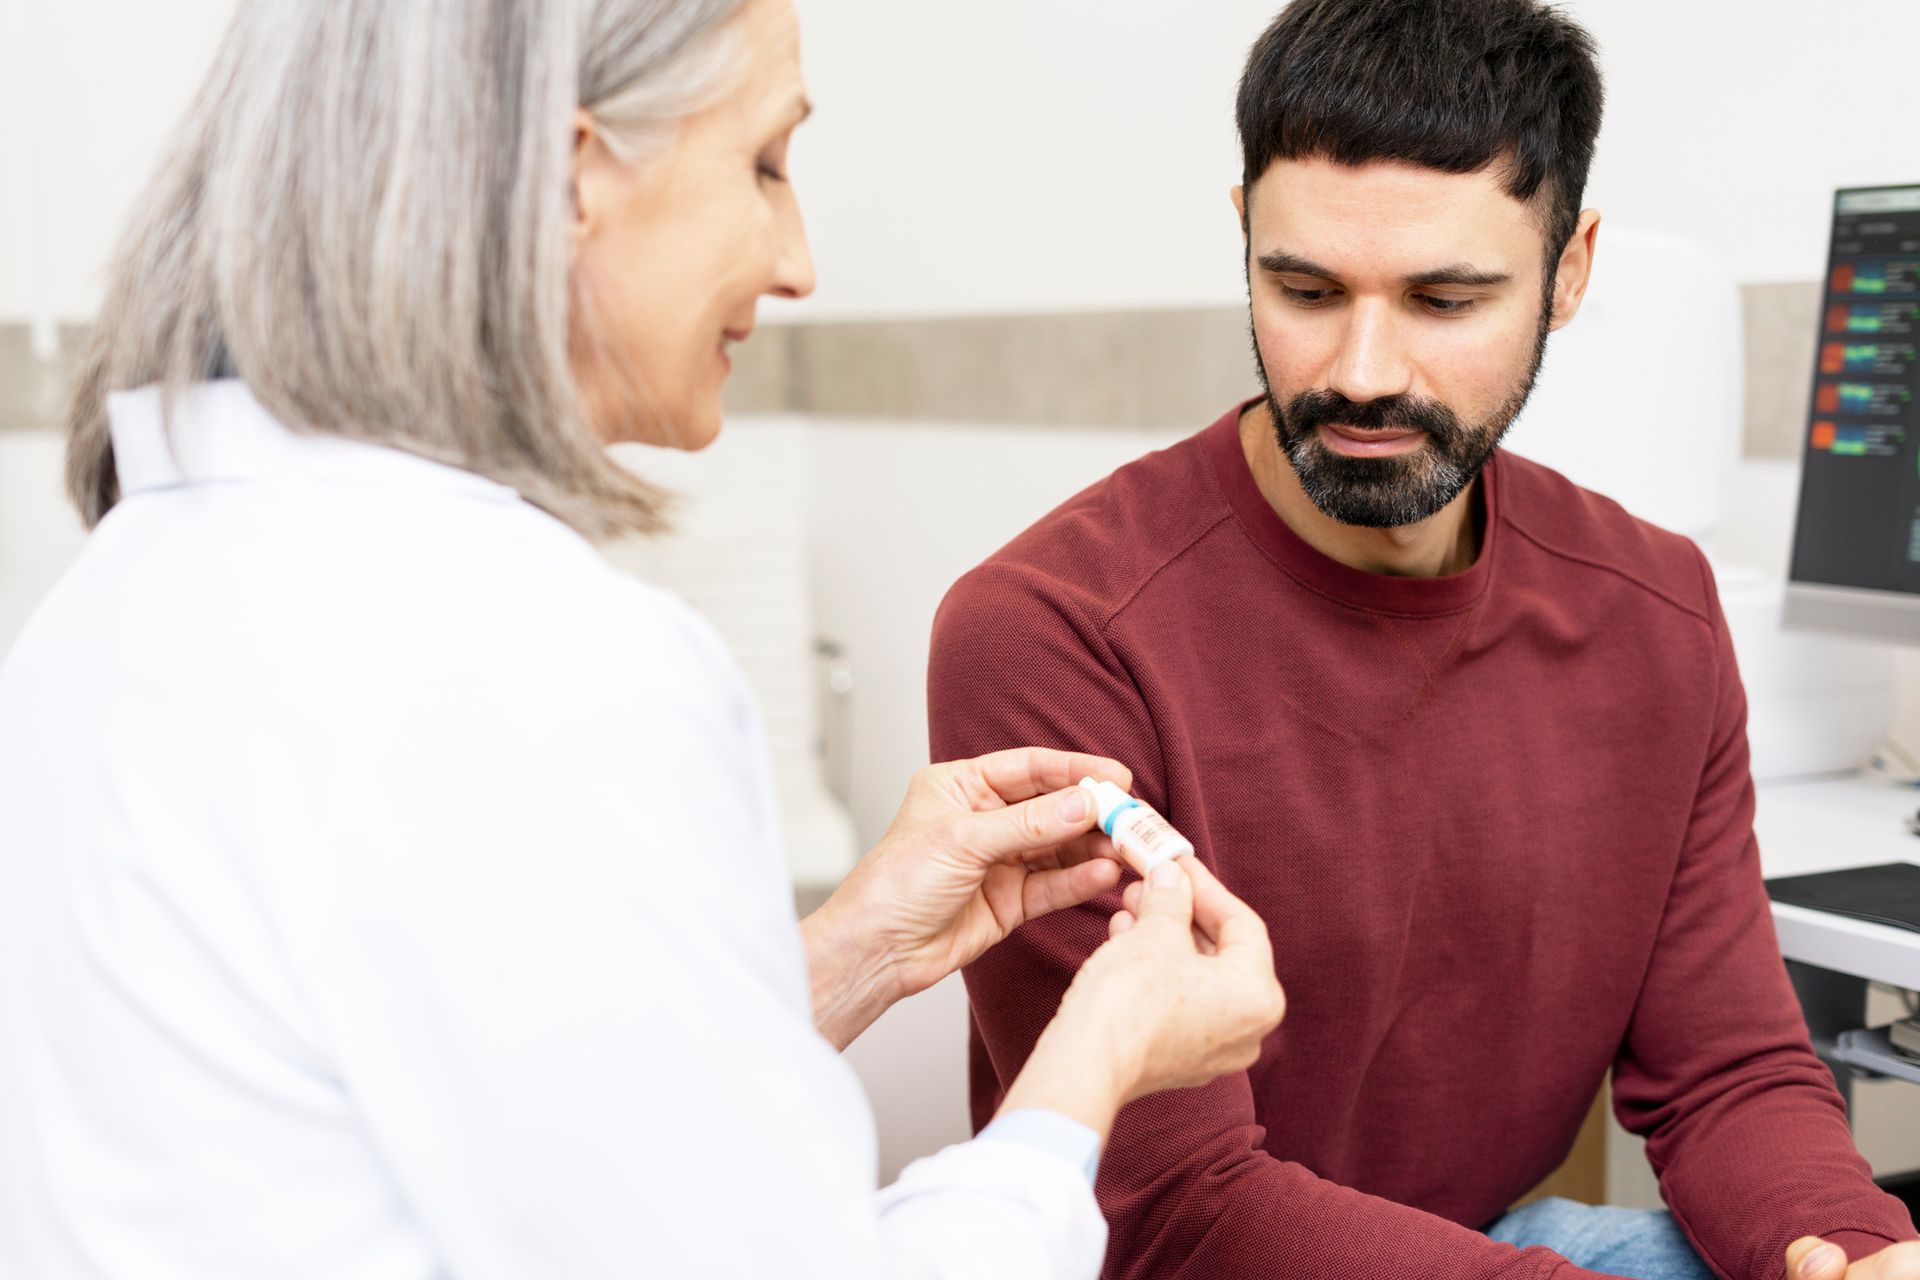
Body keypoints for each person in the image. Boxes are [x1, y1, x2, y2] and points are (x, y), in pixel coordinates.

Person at [0, 1, 1286, 1277]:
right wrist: (1098, 1054)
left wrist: (856, 947)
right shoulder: (545, 666)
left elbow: (501, 1099)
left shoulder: (119, 599)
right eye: (765, 163)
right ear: (571, 178)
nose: (799, 261)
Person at [928, 2, 1920, 1279]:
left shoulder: (1656, 613)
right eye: (1303, 288)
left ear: (1569, 271)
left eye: (1446, 297)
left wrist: (1844, 1250)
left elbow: (1728, 1068)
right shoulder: (1056, 633)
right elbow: (1172, 1205)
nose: (1361, 370)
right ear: (1245, 238)